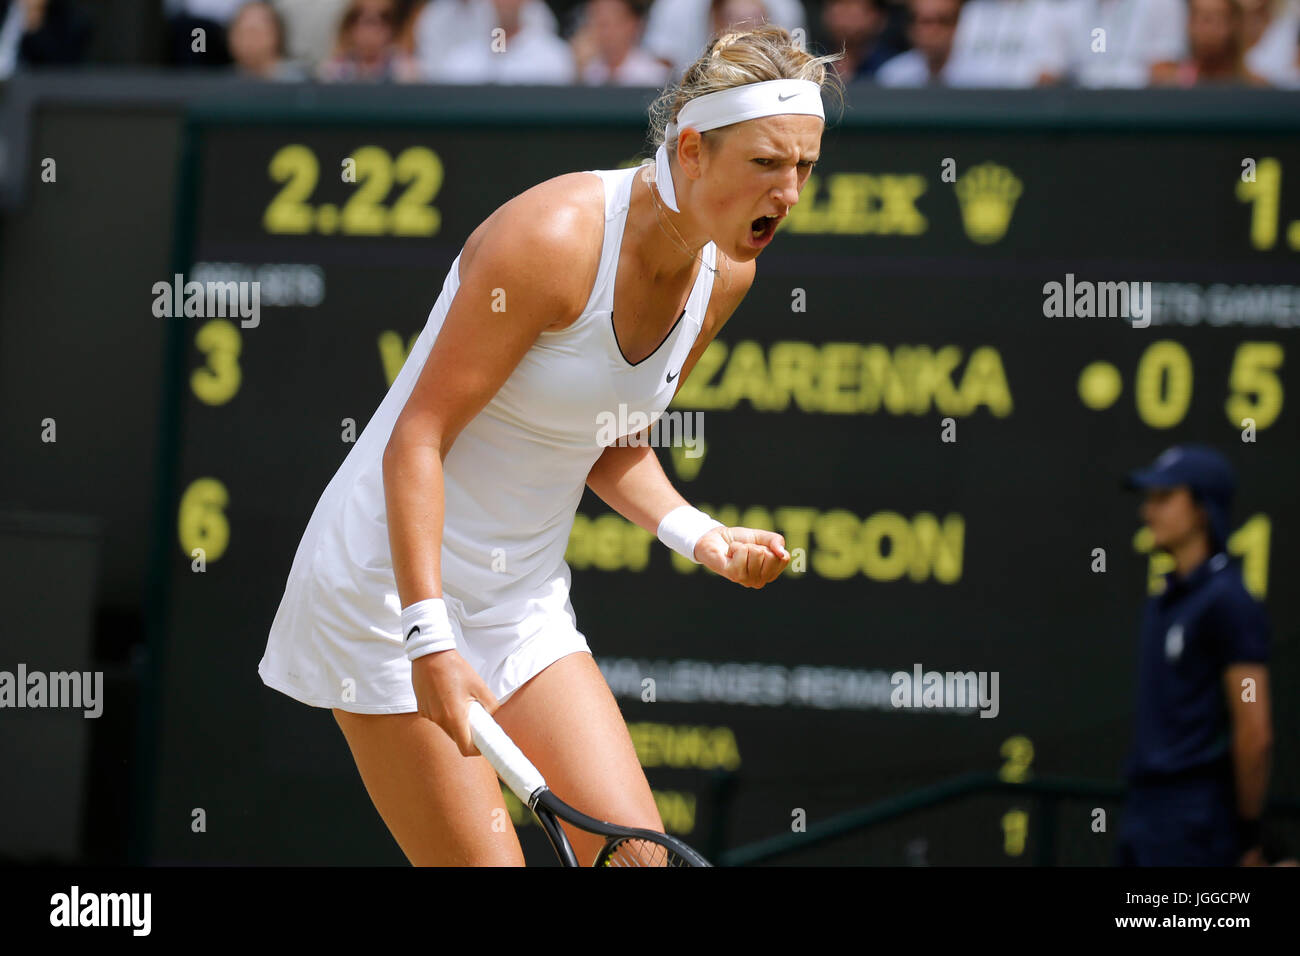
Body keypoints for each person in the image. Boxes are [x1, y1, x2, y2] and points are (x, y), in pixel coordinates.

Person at [259, 25, 841, 866]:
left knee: (639, 863)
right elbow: (416, 439)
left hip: (518, 603)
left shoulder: (729, 272)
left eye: (805, 168)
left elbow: (610, 442)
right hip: (388, 597)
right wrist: (430, 638)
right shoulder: (552, 239)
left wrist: (700, 536)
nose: (789, 194)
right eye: (766, 164)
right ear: (692, 151)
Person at [1117, 445, 1273, 867]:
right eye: (1148, 499)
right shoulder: (1163, 602)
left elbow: (1254, 729)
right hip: (1144, 814)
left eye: (1165, 498)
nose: (1148, 512)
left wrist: (1248, 835)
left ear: (1202, 509)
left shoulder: (1230, 602)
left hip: (1195, 826)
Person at [1151, 0, 1270, 85]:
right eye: (1199, 18)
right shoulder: (1170, 85)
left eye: (1216, 18)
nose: (1207, 28)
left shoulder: (1256, 87)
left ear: (1233, 25)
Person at [571, 0, 671, 86]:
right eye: (597, 22)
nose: (604, 31)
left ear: (633, 24)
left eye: (609, 22)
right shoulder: (585, 70)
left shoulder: (654, 75)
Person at [317, 0, 421, 82]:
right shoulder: (334, 70)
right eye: (366, 24)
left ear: (390, 30)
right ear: (351, 28)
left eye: (379, 24)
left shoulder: (404, 69)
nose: (371, 33)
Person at [876, 0, 962, 86]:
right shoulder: (892, 75)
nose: (933, 31)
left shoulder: (974, 76)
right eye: (925, 22)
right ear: (910, 27)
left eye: (943, 21)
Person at [228, 1, 307, 79]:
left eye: (254, 32)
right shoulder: (224, 81)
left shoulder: (299, 80)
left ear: (277, 33)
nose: (247, 40)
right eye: (242, 33)